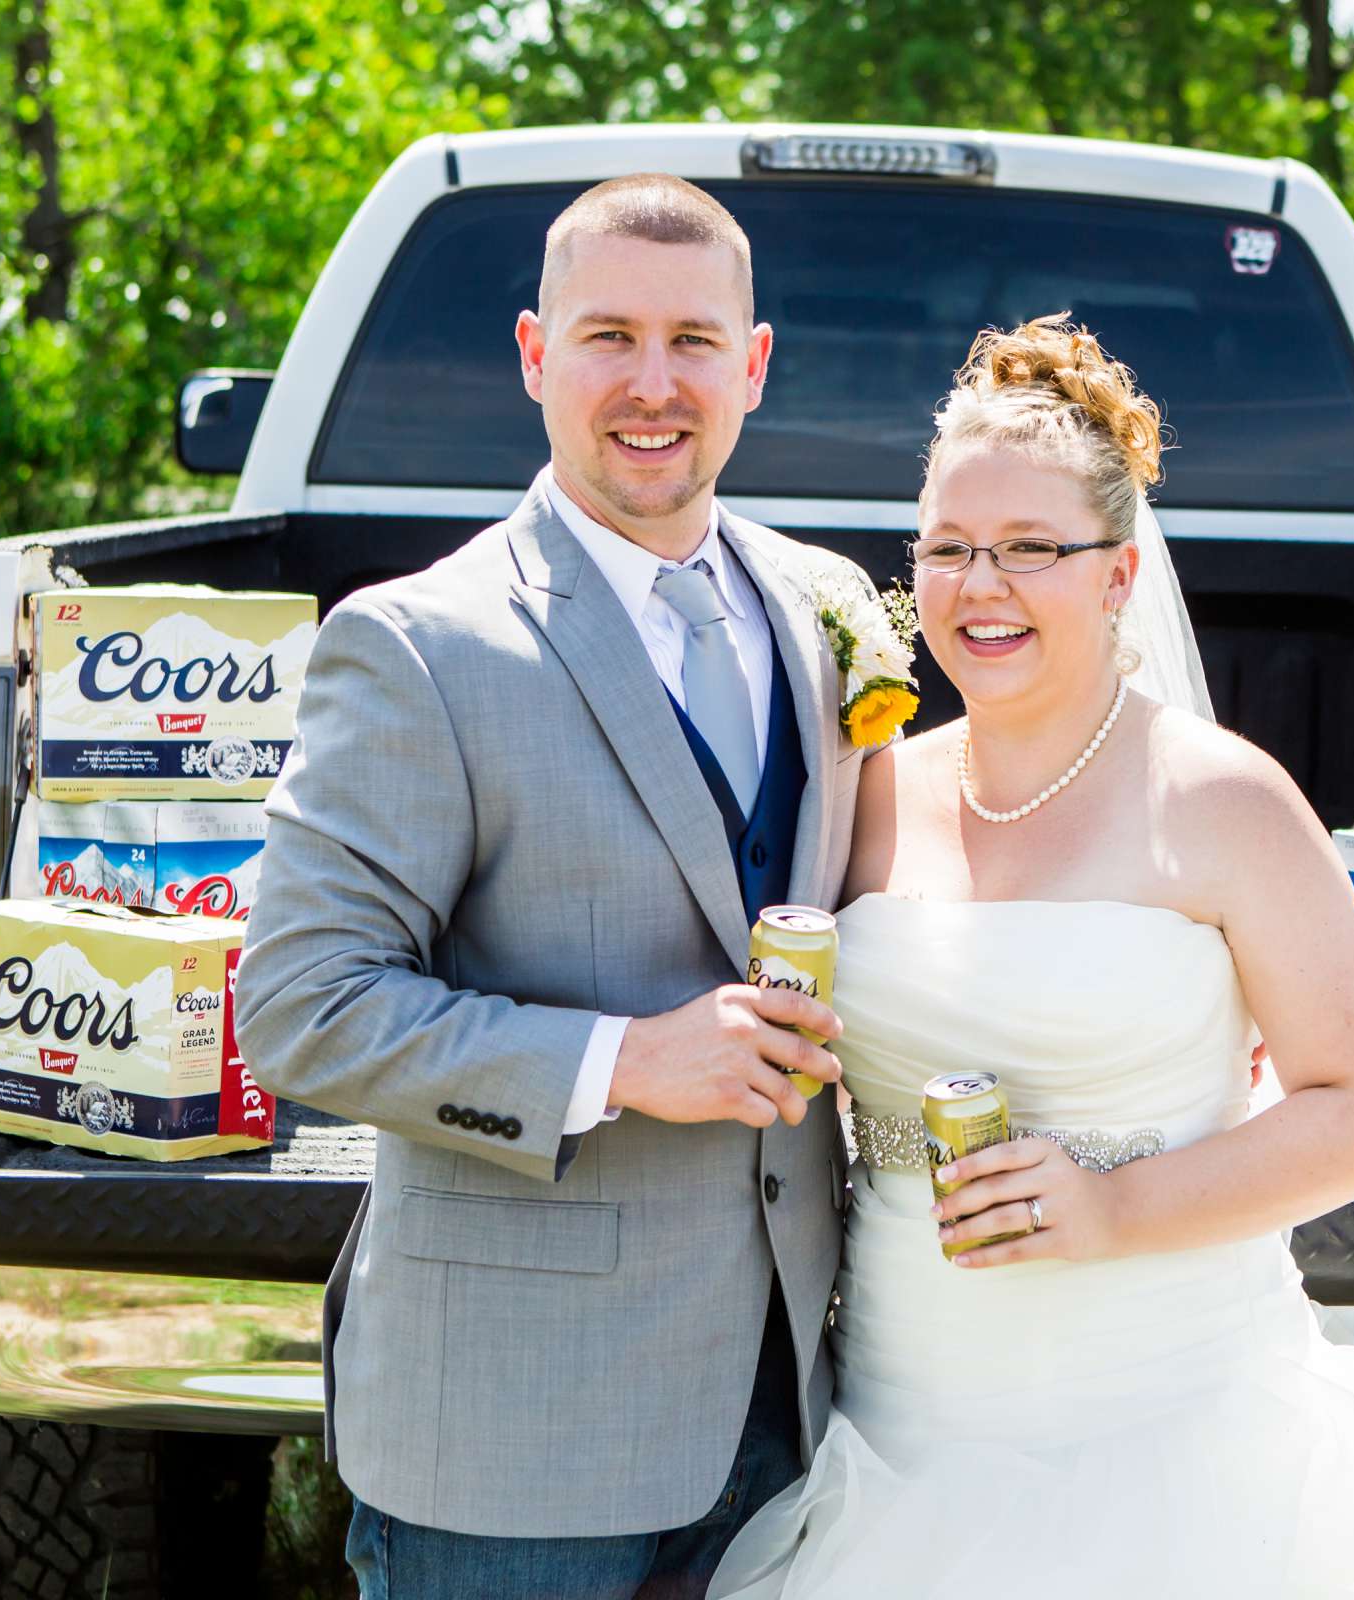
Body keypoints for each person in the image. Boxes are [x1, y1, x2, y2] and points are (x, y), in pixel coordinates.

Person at [708, 316, 1354, 1598]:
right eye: (951, 550)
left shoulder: (1223, 801)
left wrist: (1112, 1207)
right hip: (902, 1428)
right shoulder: (872, 796)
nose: (982, 586)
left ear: (1121, 577)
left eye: (1033, 549)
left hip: (1172, 1436)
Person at [235, 174, 883, 1598]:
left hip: (790, 1408)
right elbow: (295, 1005)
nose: (654, 385)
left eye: (696, 342)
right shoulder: (418, 646)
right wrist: (625, 1062)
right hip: (510, 1439)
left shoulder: (826, 605)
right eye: (609, 337)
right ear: (535, 355)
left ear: (755, 366)